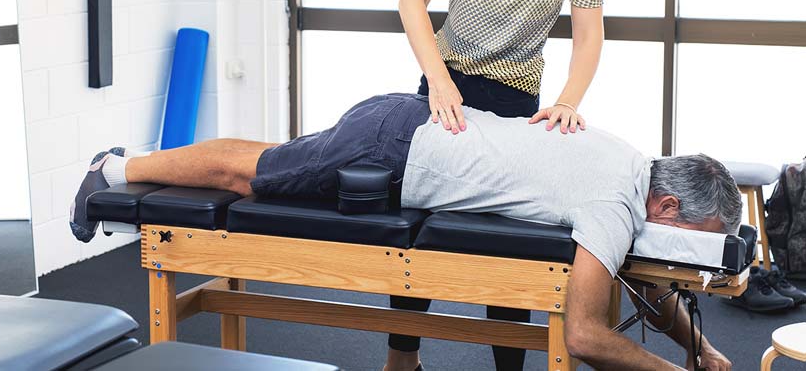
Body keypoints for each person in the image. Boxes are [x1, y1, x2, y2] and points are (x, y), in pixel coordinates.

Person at [71, 93, 738, 370]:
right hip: (392, 148)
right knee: (251, 175)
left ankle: (124, 164)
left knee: (266, 163)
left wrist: (702, 349)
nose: (683, 251)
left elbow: (645, 288)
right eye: (693, 237)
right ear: (670, 208)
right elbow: (584, 333)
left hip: (407, 127)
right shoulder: (616, 203)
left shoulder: (627, 160)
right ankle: (113, 167)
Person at [399, 0, 613, 367]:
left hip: (515, 100)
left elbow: (588, 35)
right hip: (445, 84)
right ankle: (402, 360)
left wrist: (567, 101)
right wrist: (439, 79)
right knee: (418, 215)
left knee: (510, 243)